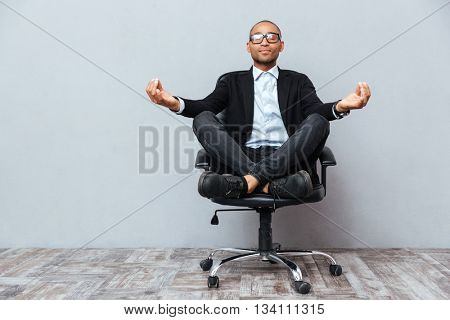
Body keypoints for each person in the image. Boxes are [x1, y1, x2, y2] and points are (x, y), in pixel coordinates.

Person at [146, 20, 371, 200]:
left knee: (318, 122)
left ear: (281, 45)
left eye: (271, 37)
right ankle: (270, 185)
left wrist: (341, 106)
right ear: (248, 46)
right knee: (203, 118)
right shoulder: (231, 81)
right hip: (241, 156)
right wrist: (172, 102)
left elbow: (316, 109)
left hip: (288, 156)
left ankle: (245, 183)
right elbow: (205, 106)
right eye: (257, 37)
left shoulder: (298, 81)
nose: (264, 42)